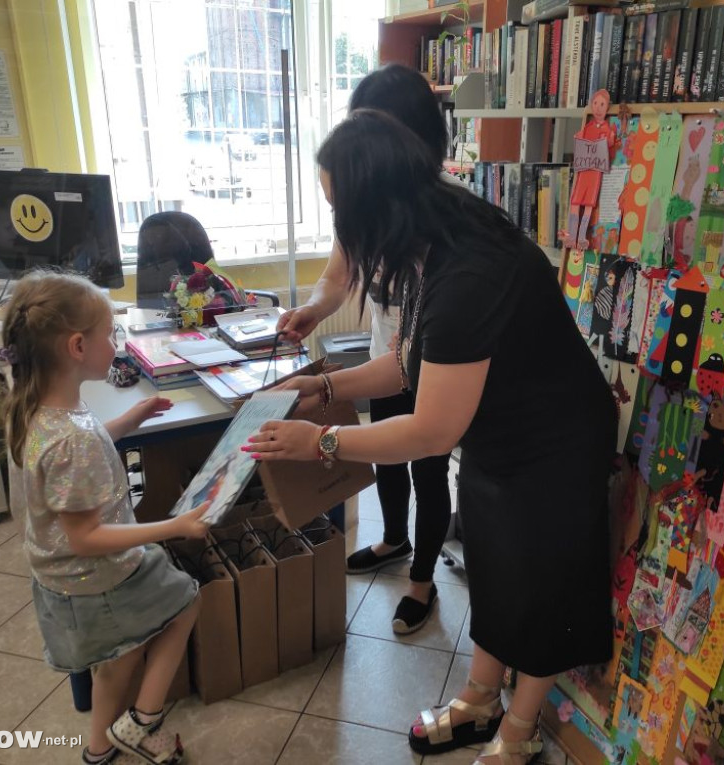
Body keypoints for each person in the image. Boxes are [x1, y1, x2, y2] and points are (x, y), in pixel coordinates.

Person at [249, 110, 617, 764]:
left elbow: (430, 427)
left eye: (341, 209)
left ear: (379, 206)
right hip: (499, 434)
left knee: (542, 586)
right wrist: (324, 388)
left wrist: (322, 445)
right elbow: (410, 364)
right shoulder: (433, 245)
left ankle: (519, 732)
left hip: (554, 444)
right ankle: (480, 696)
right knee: (498, 569)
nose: (339, 228)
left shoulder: (471, 271)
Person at [1, 271, 210, 765]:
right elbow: (87, 535)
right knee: (184, 606)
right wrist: (174, 527)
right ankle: (142, 723)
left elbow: (79, 466)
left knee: (115, 664)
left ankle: (100, 750)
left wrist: (127, 422)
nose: (115, 343)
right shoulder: (73, 438)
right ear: (77, 346)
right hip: (100, 576)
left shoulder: (43, 410)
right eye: (109, 334)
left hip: (69, 579)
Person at [277, 63, 454, 635]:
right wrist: (312, 309)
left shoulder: (441, 228)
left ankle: (423, 578)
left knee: (428, 470)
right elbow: (337, 275)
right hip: (389, 360)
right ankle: (394, 539)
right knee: (386, 458)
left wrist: (323, 435)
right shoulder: (364, 199)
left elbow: (429, 409)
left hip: (429, 370)